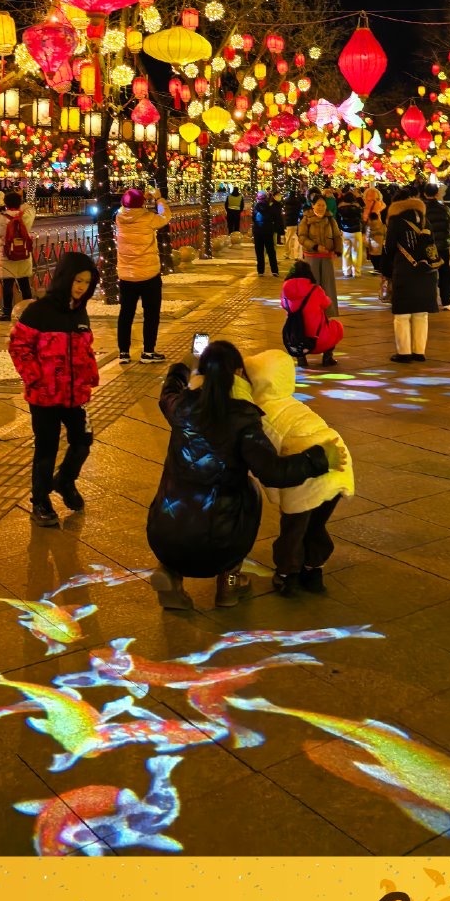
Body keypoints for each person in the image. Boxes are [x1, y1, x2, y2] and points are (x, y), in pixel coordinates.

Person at [146, 340, 331, 612]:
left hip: (164, 534)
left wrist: (183, 365)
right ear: (239, 374)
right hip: (222, 543)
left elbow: (169, 391)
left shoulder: (181, 406)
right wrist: (317, 459)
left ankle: (170, 574)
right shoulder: (243, 417)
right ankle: (230, 582)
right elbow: (273, 472)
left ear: (202, 374)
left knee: (178, 505)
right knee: (249, 494)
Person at [244, 349, 354, 595]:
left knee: (293, 530)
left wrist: (278, 497)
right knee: (316, 525)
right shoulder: (292, 403)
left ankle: (287, 575)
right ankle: (314, 571)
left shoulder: (262, 415)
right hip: (339, 467)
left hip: (306, 475)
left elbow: (269, 462)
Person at [8, 253, 99, 527]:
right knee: (46, 448)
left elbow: (84, 348)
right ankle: (40, 500)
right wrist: (36, 378)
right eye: (77, 280)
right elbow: (19, 346)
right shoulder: (39, 311)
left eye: (87, 281)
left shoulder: (79, 310)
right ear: (64, 278)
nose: (82, 286)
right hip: (44, 396)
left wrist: (89, 374)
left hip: (75, 394)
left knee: (83, 441)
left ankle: (65, 481)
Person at [381, 189, 441, 362]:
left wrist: (386, 271)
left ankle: (404, 352)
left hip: (405, 270)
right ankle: (419, 351)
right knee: (421, 313)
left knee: (402, 314)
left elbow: (389, 248)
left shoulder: (395, 221)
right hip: (426, 272)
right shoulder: (425, 220)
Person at [115, 185, 171, 364]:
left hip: (126, 276)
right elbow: (165, 217)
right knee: (151, 314)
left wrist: (139, 198)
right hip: (149, 275)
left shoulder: (119, 217)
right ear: (142, 204)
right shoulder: (148, 218)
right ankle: (148, 352)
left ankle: (123, 352)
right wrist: (158, 199)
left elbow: (129, 205)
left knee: (126, 314)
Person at [281, 260, 344, 369]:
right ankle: (327, 357)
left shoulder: (285, 289)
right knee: (337, 327)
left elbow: (284, 305)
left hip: (296, 340)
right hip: (318, 340)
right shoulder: (315, 289)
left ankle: (301, 358)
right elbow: (326, 303)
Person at [296, 195, 342, 317]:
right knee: (312, 285)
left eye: (323, 205)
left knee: (328, 286)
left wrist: (337, 250)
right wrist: (315, 246)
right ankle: (311, 311)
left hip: (326, 256)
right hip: (312, 257)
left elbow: (337, 236)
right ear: (313, 205)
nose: (321, 207)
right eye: (318, 205)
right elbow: (302, 237)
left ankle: (328, 312)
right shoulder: (306, 219)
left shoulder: (330, 218)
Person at [0, 190, 36, 320]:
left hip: (7, 255)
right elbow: (31, 208)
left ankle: (7, 312)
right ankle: (29, 311)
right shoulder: (26, 216)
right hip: (23, 254)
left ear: (6, 204)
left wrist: (1, 204)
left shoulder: (1, 218)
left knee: (7, 284)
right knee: (24, 284)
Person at [422, 182, 450, 306]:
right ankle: (446, 301)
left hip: (428, 246)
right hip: (443, 246)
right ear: (437, 193)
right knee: (444, 273)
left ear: (424, 193)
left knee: (427, 273)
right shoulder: (445, 209)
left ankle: (429, 301)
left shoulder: (422, 210)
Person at [251, 190, 280, 277]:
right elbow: (275, 218)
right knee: (271, 251)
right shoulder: (269, 207)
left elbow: (253, 219)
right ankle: (274, 270)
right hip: (268, 232)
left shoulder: (256, 208)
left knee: (259, 252)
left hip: (258, 232)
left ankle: (260, 271)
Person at [337, 188, 365, 279]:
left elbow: (338, 218)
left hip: (345, 231)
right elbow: (362, 212)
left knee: (345, 252)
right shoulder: (357, 206)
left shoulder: (340, 206)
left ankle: (346, 271)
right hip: (356, 230)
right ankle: (356, 271)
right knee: (356, 252)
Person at [281, 188, 304, 261]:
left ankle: (287, 253)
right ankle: (296, 255)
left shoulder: (286, 202)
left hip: (288, 222)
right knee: (297, 239)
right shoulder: (297, 202)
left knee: (288, 238)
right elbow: (301, 207)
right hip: (296, 222)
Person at [365, 202, 387, 272]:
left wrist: (367, 245)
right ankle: (380, 268)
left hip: (373, 245)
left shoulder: (369, 226)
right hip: (381, 245)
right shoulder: (383, 226)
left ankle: (376, 268)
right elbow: (386, 234)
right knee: (380, 257)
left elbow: (367, 237)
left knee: (374, 257)